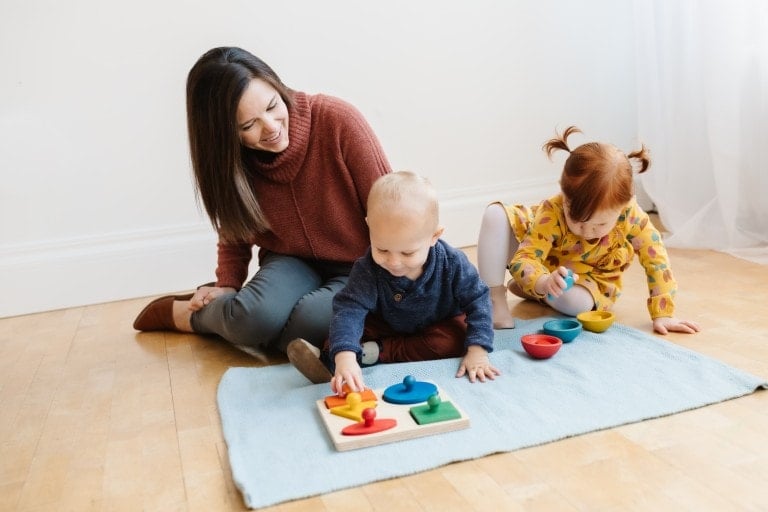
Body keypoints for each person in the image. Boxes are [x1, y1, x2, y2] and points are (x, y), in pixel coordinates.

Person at [132, 47, 392, 358]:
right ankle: (191, 316)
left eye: (272, 106)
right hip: (290, 261)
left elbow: (391, 208)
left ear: (277, 85)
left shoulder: (337, 121)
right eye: (247, 126)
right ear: (226, 136)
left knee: (310, 323)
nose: (270, 127)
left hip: (360, 264)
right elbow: (233, 222)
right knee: (252, 320)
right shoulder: (233, 161)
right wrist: (228, 284)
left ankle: (254, 319)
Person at [287, 171, 500, 394]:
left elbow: (479, 301)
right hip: (385, 324)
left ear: (434, 237)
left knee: (454, 339)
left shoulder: (453, 263)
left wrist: (478, 350)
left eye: (407, 252)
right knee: (341, 334)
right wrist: (344, 357)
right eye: (382, 249)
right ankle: (335, 360)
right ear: (369, 227)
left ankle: (373, 353)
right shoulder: (368, 268)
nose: (393, 262)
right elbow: (350, 309)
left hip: (437, 324)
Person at [477, 126, 701, 335]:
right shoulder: (551, 212)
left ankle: (538, 292)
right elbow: (526, 256)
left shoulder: (633, 218)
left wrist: (663, 314)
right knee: (495, 214)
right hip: (543, 264)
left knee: (579, 305)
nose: (586, 231)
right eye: (577, 220)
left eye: (600, 225)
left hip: (587, 280)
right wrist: (543, 280)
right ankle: (495, 299)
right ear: (563, 195)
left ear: (625, 204)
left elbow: (657, 263)